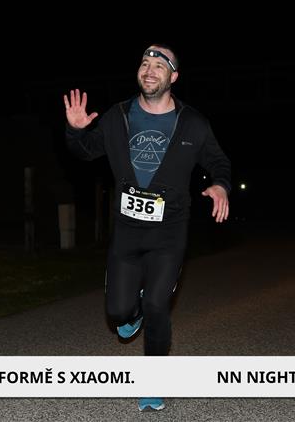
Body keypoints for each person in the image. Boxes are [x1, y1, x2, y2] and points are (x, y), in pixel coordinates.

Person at [63, 44, 231, 412]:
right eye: (144, 63)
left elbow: (219, 161)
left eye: (159, 65)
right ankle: (133, 311)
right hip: (127, 230)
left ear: (173, 77)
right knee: (118, 313)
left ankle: (153, 383)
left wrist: (220, 185)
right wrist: (75, 132)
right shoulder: (118, 116)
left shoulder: (192, 123)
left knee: (157, 304)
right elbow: (85, 151)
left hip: (169, 231)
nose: (150, 70)